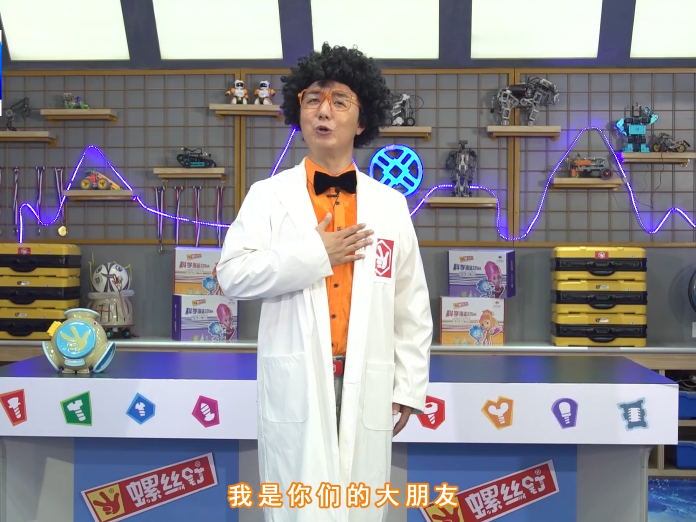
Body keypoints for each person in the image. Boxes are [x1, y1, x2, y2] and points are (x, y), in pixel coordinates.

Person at [215, 42, 433, 522]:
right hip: (297, 378)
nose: (324, 111)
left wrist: (408, 386)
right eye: (312, 99)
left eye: (339, 100)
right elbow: (232, 275)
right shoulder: (268, 196)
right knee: (300, 506)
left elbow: (410, 305)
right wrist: (317, 255)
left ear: (362, 120)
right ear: (299, 112)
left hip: (368, 378)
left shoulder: (390, 205)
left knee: (360, 504)